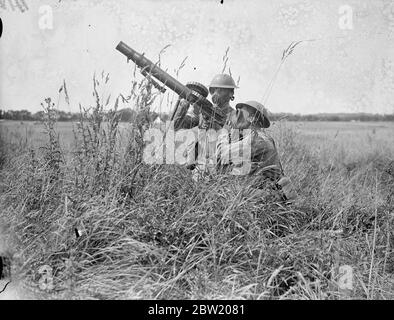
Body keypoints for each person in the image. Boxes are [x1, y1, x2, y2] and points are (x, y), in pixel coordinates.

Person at [216, 100, 296, 201]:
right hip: (270, 192)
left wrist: (224, 131)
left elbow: (222, 153)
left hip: (270, 195)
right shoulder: (263, 137)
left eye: (239, 113)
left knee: (227, 190)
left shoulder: (256, 139)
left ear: (251, 118)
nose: (236, 117)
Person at [172, 74, 238, 177]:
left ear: (231, 93)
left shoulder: (235, 116)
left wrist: (219, 127)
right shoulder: (204, 113)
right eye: (213, 90)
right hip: (200, 169)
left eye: (221, 90)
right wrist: (183, 105)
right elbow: (178, 125)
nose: (216, 93)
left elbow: (236, 146)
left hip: (222, 173)